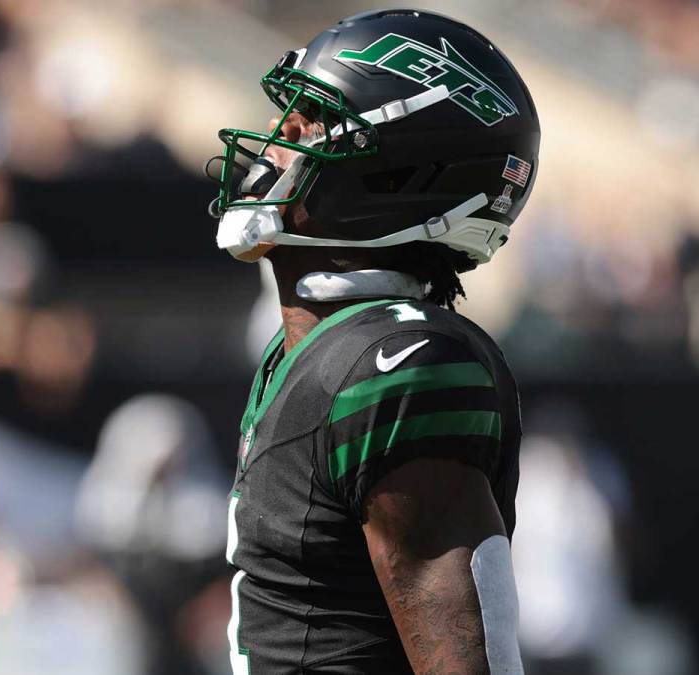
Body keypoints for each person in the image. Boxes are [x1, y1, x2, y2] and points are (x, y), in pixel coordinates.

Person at [207, 9, 539, 674]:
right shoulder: (313, 350)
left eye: (311, 123)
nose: (277, 140)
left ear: (398, 175)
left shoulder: (398, 363)